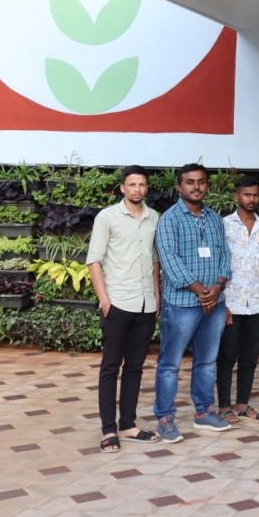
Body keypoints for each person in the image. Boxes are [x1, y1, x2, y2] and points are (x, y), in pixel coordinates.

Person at [153, 163, 233, 442]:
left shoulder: (213, 218)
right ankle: (164, 419)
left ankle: (203, 413)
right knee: (171, 363)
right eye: (190, 182)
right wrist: (202, 291)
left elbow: (225, 254)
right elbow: (170, 261)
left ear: (206, 185)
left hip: (214, 302)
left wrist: (218, 286)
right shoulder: (170, 219)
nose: (196, 186)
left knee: (207, 361)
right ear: (179, 187)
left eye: (201, 182)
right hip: (182, 304)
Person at [86, 165, 161, 452]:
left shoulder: (154, 217)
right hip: (118, 302)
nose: (137, 190)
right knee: (110, 368)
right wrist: (105, 301)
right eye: (132, 185)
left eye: (142, 185)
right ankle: (108, 430)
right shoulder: (107, 217)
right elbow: (94, 260)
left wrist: (156, 296)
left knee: (135, 367)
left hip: (146, 305)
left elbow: (154, 260)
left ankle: (128, 424)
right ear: (122, 188)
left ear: (146, 188)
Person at [217, 175, 259, 426]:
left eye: (255, 195)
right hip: (229, 302)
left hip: (255, 302)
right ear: (236, 197)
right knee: (227, 355)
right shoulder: (223, 225)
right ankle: (224, 406)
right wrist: (222, 301)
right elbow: (217, 264)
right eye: (247, 195)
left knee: (250, 356)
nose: (252, 199)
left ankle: (242, 403)